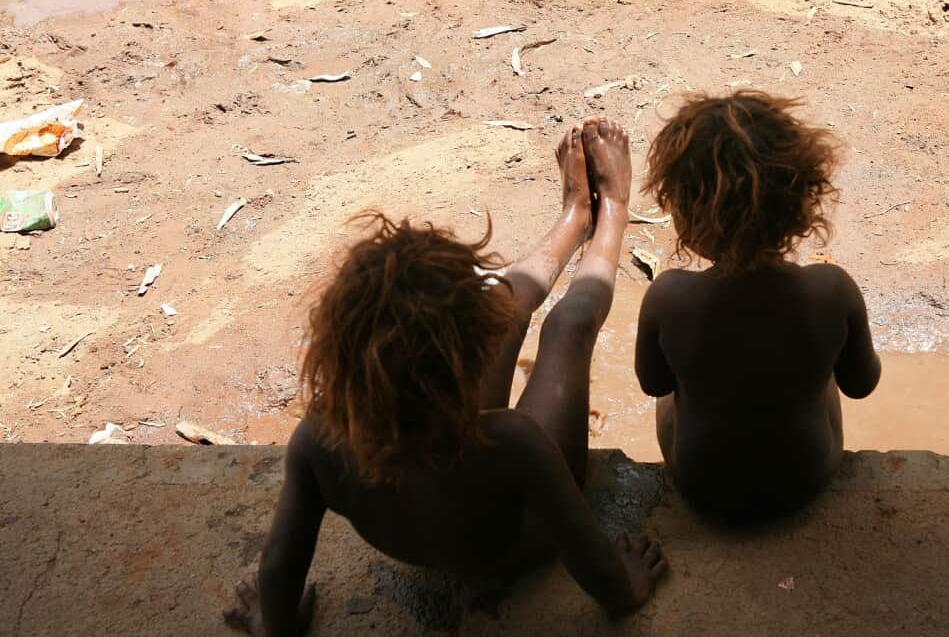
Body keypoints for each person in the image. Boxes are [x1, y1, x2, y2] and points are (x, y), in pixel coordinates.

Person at [225, 118, 666, 636]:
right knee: (566, 328)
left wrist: (271, 622)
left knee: (486, 309)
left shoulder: (318, 441)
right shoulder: (514, 441)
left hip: (433, 508)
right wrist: (628, 585)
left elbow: (278, 571)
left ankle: (573, 220)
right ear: (475, 361)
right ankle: (611, 213)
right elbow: (602, 575)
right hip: (512, 545)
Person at [634, 90, 881, 521]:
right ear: (802, 202)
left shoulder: (668, 297)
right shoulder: (832, 290)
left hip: (703, 486)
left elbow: (654, 384)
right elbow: (861, 384)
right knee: (819, 367)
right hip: (805, 479)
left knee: (680, 382)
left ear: (687, 215)